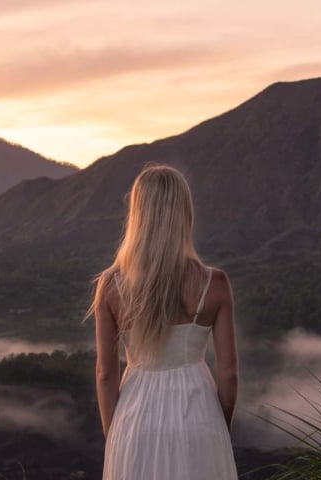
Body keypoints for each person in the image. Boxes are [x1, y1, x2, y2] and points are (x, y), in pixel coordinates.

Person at [90, 164, 239, 479]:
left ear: (137, 214)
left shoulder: (110, 286)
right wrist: (217, 427)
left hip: (134, 419)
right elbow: (229, 375)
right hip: (198, 415)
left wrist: (114, 433)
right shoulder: (215, 284)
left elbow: (105, 374)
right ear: (184, 213)